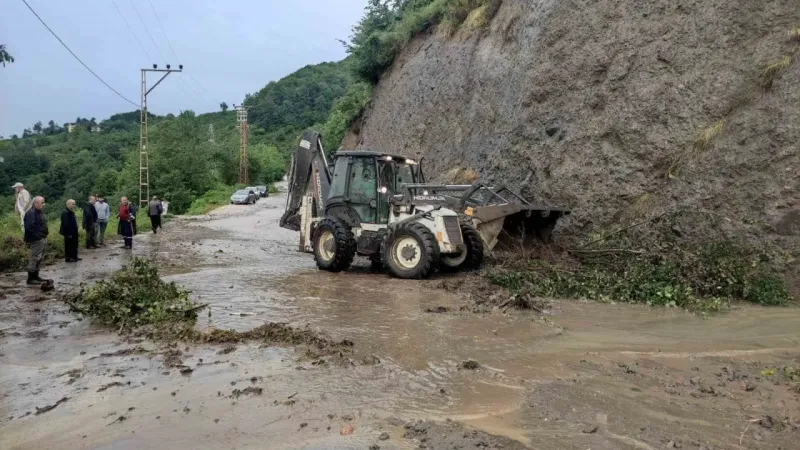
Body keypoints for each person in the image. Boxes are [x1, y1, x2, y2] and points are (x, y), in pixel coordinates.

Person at [24, 196, 48, 285]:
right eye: (42, 202)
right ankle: (30, 278)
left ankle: (36, 276)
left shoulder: (38, 212)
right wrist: (39, 236)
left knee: (39, 258)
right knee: (34, 258)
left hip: (41, 238)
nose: (44, 204)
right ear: (35, 203)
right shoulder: (31, 213)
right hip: (36, 239)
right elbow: (30, 227)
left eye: (44, 202)